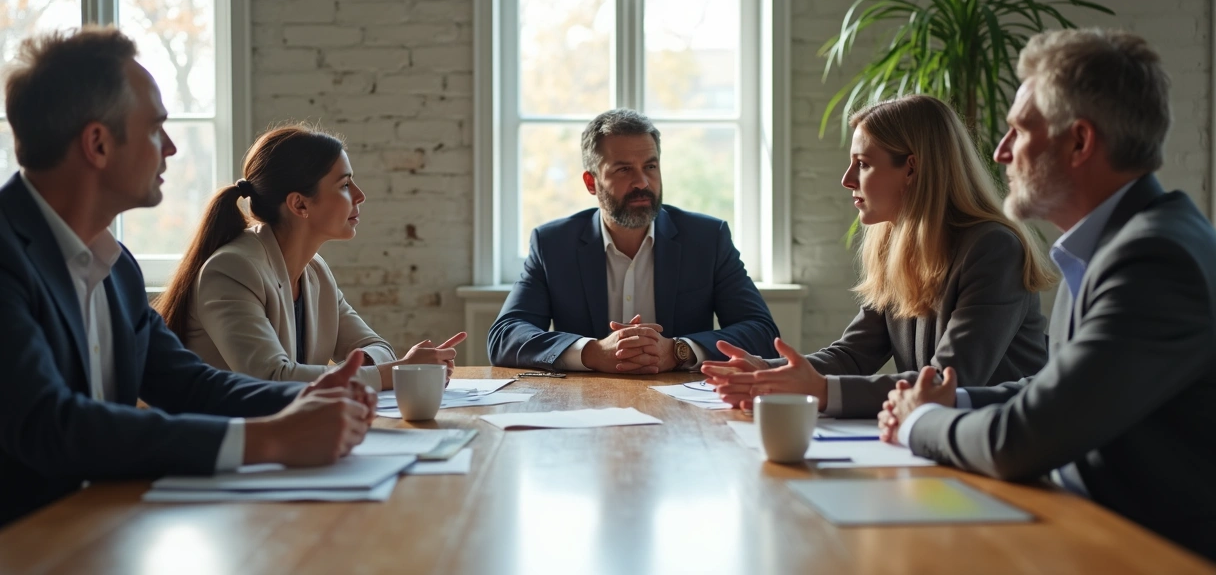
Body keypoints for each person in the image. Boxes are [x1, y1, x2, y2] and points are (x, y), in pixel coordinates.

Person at [0, 27, 376, 526]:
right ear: (97, 144)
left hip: (101, 528)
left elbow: (191, 386)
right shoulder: (6, 257)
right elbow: (51, 424)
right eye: (156, 128)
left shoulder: (116, 269)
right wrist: (270, 439)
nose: (172, 147)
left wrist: (312, 398)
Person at [879, 29, 1216, 560]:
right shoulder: (1121, 241)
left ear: (1079, 142)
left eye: (1018, 130)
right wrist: (954, 399)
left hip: (1146, 555)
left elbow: (1022, 441)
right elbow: (1058, 388)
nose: (1001, 151)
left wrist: (920, 421)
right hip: (1088, 531)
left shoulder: (1154, 260)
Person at [703, 95, 1055, 418]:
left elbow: (952, 381)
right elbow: (855, 353)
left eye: (863, 164)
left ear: (912, 169)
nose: (846, 180)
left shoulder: (993, 249)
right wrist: (770, 372)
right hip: (941, 438)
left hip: (1001, 443)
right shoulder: (894, 243)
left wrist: (820, 391)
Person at [154, 124, 465, 391]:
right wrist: (396, 372)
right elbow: (272, 378)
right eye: (344, 184)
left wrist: (383, 367)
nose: (360, 195)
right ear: (300, 205)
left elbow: (377, 347)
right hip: (230, 443)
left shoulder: (315, 272)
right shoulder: (231, 270)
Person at [488, 108, 779, 373]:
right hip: (585, 406)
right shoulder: (553, 244)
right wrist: (592, 351)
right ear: (592, 183)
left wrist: (678, 350)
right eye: (624, 169)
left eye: (650, 167)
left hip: (685, 406)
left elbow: (762, 332)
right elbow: (505, 336)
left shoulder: (706, 239)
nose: (642, 182)